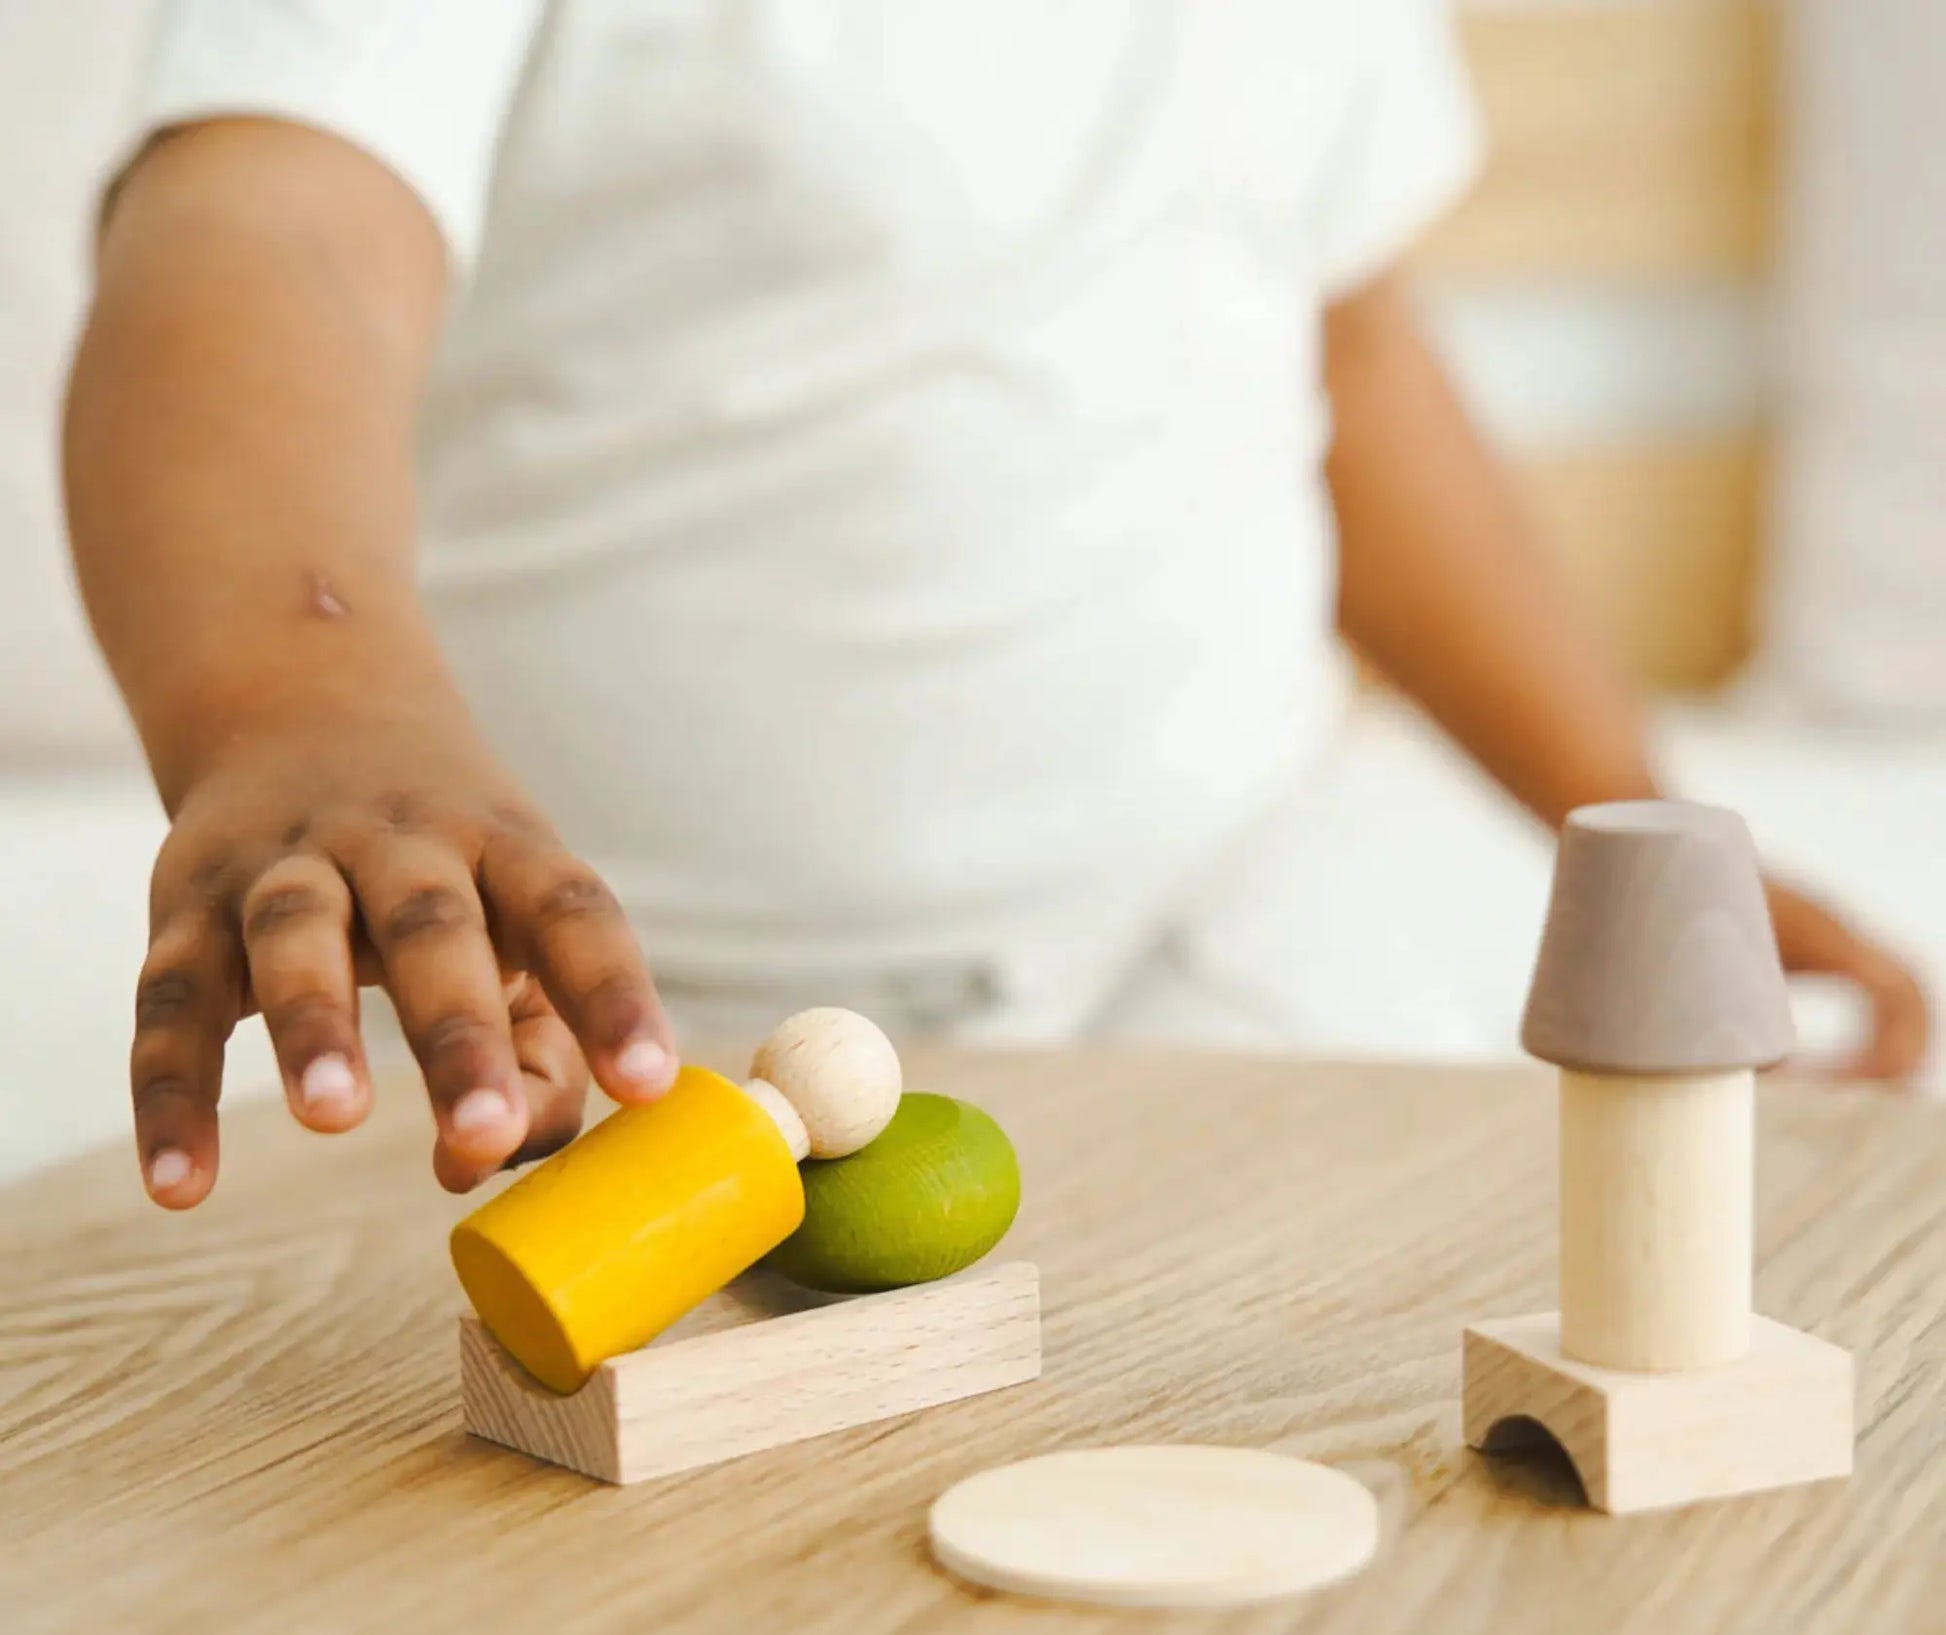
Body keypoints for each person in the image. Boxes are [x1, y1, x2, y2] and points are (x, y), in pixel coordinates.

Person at [64, 0, 1929, 1212]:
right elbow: (266, 232)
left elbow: (1337, 346)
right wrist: (299, 697)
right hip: (601, 1032)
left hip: (1225, 919)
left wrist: (1632, 814)